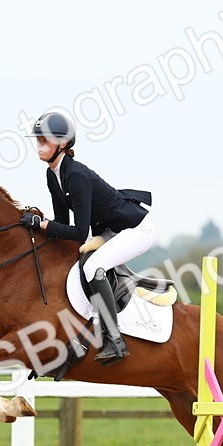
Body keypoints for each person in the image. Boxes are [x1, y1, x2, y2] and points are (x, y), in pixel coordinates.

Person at [20, 111, 155, 365]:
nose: (39, 145)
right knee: (79, 261)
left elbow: (80, 233)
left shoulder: (76, 175)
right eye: (38, 139)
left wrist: (42, 224)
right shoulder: (53, 175)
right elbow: (62, 225)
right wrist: (40, 227)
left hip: (136, 229)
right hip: (110, 231)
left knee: (94, 266)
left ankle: (115, 340)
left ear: (62, 143)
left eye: (45, 140)